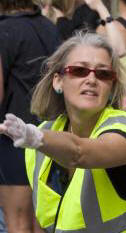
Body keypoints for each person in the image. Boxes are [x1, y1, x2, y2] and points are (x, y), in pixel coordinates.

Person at [1, 31, 126, 232]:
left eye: (103, 74)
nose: (91, 79)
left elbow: (79, 152)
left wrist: (38, 139)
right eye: (79, 70)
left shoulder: (125, 127)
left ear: (112, 86)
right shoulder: (43, 134)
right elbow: (42, 221)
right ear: (58, 81)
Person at [0, 0, 60, 233]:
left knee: (17, 223)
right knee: (40, 223)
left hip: (12, 138)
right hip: (48, 136)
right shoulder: (48, 26)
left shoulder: (4, 30)